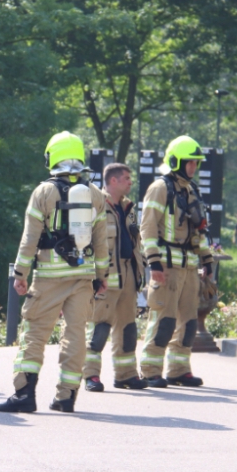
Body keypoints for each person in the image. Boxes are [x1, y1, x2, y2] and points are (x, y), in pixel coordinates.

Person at [0, 132, 108, 413]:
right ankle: (66, 397)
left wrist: (20, 274)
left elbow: (30, 237)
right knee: (76, 335)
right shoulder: (95, 194)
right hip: (82, 277)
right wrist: (101, 276)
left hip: (48, 277)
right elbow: (102, 241)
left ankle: (24, 395)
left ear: (52, 157)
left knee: (34, 333)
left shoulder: (43, 192)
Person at [139, 135, 214, 388]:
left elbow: (198, 231)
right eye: (189, 162)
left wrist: (207, 259)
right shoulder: (160, 188)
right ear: (175, 161)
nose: (193, 167)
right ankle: (150, 370)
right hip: (167, 266)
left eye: (196, 163)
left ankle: (179, 370)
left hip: (189, 265)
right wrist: (154, 263)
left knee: (189, 322)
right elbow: (147, 227)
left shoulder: (191, 190)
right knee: (163, 320)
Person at [83, 163, 148, 392]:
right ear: (113, 181)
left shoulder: (128, 207)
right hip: (106, 275)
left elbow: (136, 242)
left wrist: (140, 273)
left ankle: (126, 375)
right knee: (100, 327)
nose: (131, 182)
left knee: (128, 328)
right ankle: (91, 375)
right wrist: (93, 276)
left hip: (128, 273)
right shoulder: (96, 203)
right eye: (127, 178)